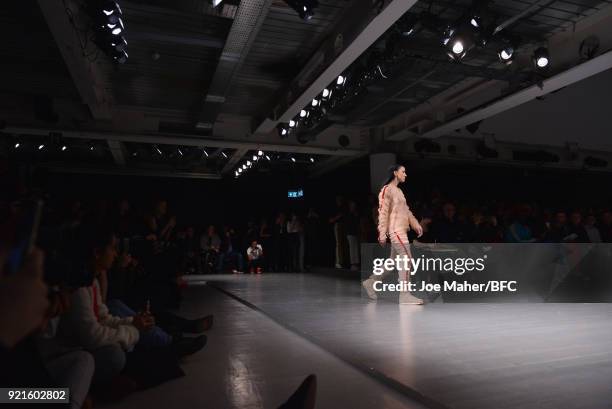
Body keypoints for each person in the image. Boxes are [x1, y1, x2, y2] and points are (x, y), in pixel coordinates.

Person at [362, 165, 424, 305]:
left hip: (401, 229)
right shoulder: (386, 190)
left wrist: (415, 224)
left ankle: (371, 282)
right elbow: (382, 213)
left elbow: (406, 211)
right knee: (407, 259)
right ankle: (405, 294)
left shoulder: (399, 191)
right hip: (395, 230)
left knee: (392, 262)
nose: (405, 174)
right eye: (403, 172)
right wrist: (382, 233)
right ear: (395, 173)